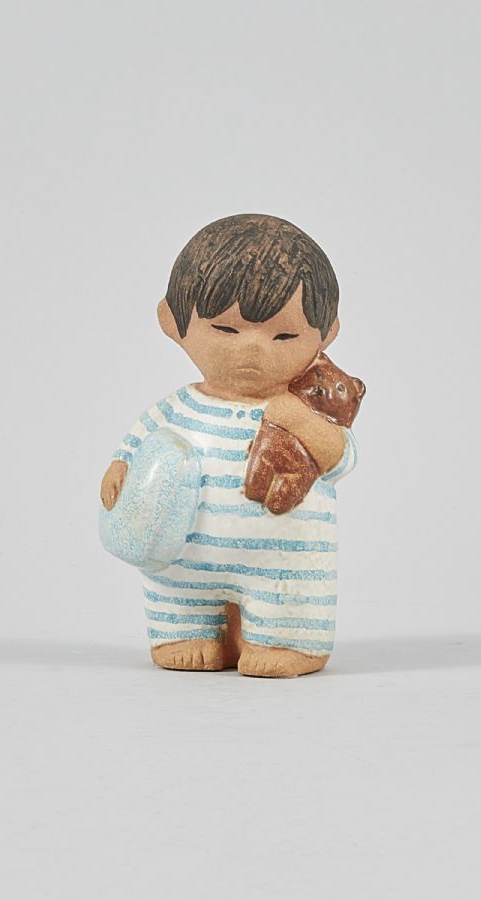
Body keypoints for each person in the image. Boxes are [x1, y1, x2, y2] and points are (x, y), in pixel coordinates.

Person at [100, 214, 359, 677]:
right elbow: (135, 447)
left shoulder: (308, 409)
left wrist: (300, 420)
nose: (253, 350)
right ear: (171, 321)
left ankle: (288, 640)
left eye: (284, 335)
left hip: (280, 560)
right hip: (182, 556)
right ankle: (185, 630)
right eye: (226, 329)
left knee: (288, 594)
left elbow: (340, 457)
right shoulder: (177, 408)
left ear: (326, 335)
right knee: (175, 593)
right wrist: (121, 469)